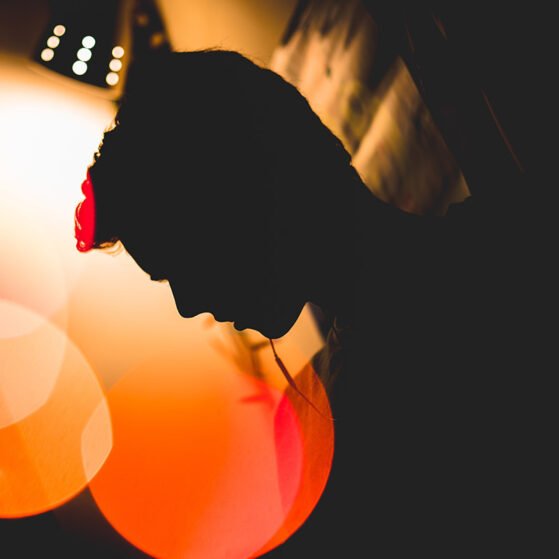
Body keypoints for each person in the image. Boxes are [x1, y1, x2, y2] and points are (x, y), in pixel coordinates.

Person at [75, 45, 550, 557]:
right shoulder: (310, 418)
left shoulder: (521, 262)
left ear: (252, 195)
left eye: (186, 259)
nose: (187, 305)